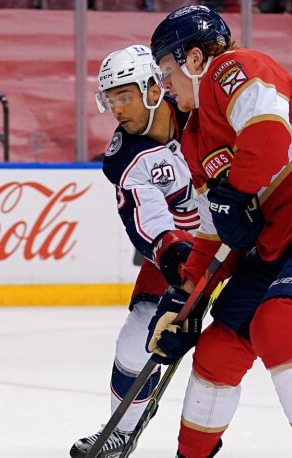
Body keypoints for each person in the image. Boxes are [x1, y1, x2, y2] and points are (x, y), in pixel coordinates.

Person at [145, 4, 292, 457]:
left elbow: (268, 135)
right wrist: (183, 301)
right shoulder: (195, 139)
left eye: (166, 70)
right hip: (282, 237)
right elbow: (216, 234)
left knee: (279, 324)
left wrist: (235, 196)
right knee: (217, 349)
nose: (164, 88)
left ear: (194, 59)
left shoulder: (232, 68)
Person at [70, 45, 199, 458]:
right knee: (133, 340)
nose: (117, 109)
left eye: (124, 96)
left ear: (153, 88)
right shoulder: (125, 156)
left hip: (242, 237)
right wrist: (176, 257)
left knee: (269, 335)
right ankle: (122, 430)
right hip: (179, 247)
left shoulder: (200, 110)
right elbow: (147, 222)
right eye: (111, 100)